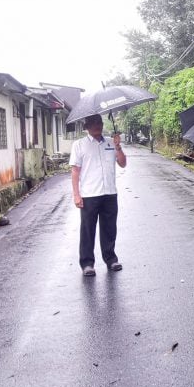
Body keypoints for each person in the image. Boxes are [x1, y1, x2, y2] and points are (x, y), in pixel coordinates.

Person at [70, 114, 127, 276]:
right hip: (89, 194)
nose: (97, 125)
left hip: (109, 192)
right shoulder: (79, 145)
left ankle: (111, 259)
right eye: (93, 123)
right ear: (86, 126)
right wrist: (76, 195)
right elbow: (75, 171)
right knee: (88, 230)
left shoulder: (111, 142)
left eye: (99, 122)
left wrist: (118, 147)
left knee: (109, 228)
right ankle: (87, 263)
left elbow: (123, 164)